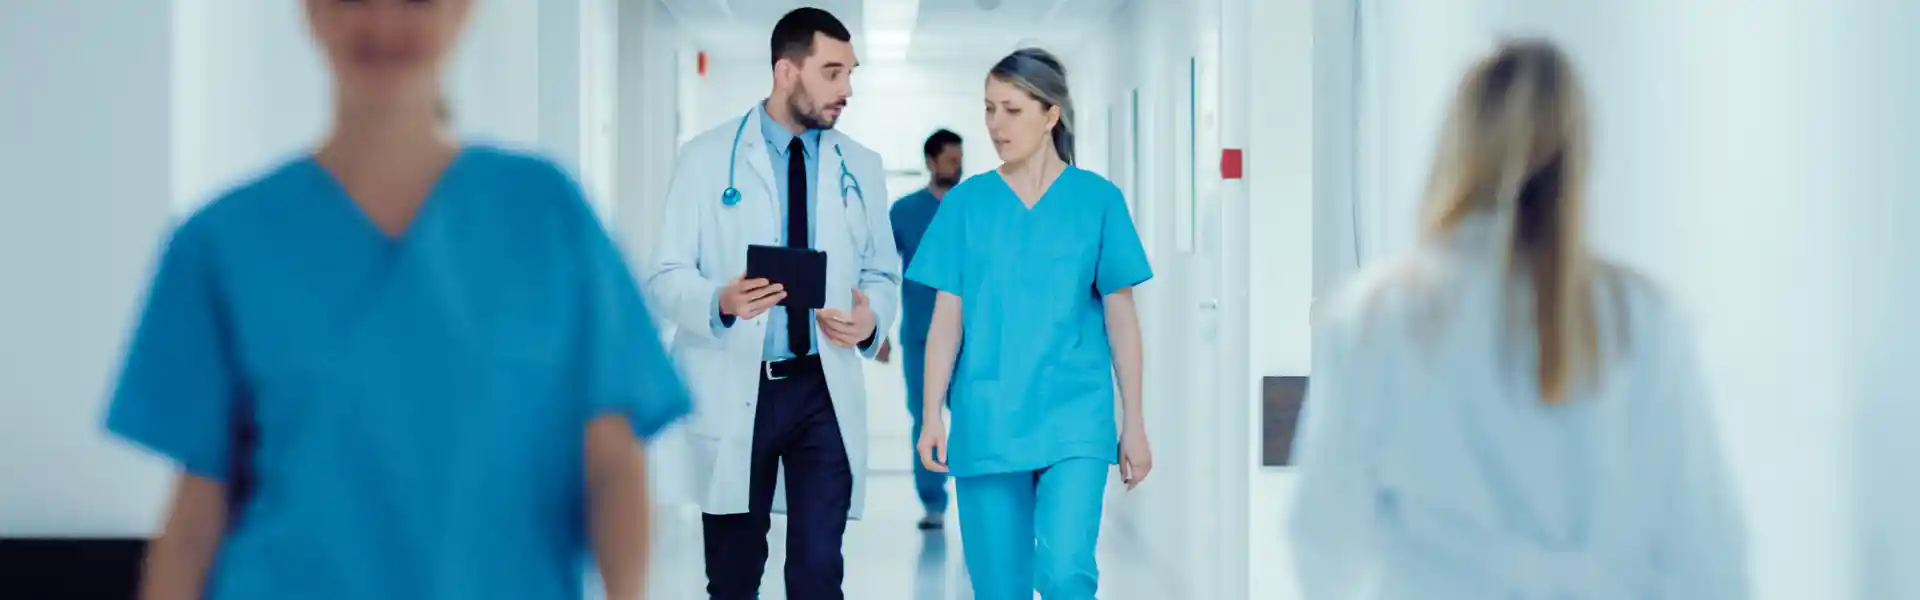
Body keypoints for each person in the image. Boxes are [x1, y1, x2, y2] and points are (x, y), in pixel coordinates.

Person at [103, 1, 690, 599]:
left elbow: (613, 462)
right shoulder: (224, 242)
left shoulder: (545, 215)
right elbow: (195, 517)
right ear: (311, 11)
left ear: (462, 11)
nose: (382, 23)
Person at [1287, 39, 1749, 599]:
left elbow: (1324, 538)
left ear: (1455, 150)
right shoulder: (1641, 319)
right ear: (1580, 156)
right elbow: (1708, 551)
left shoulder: (1378, 317)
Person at [643, 7, 898, 600]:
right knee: (732, 576)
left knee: (817, 573)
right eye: (832, 72)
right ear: (787, 71)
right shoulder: (706, 159)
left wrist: (870, 320)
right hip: (738, 382)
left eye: (850, 73)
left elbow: (881, 272)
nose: (847, 89)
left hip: (821, 390)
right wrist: (719, 300)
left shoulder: (861, 166)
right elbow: (664, 276)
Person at [909, 47, 1153, 600]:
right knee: (999, 587)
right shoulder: (967, 204)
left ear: (1051, 115)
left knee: (1067, 572)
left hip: (1075, 418)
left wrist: (1133, 420)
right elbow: (946, 321)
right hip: (988, 417)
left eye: (1012, 110)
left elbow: (1122, 317)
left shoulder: (1098, 200)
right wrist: (930, 416)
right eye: (989, 109)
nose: (996, 125)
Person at [878, 128, 965, 530]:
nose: (956, 166)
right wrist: (877, 330)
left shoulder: (975, 206)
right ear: (930, 161)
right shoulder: (905, 212)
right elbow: (879, 273)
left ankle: (976, 500)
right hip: (920, 335)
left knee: (971, 417)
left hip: (972, 337)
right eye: (949, 160)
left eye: (959, 159)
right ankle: (933, 502)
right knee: (925, 417)